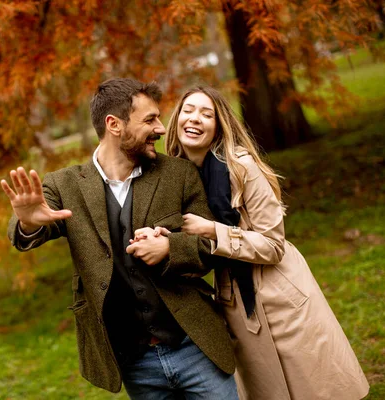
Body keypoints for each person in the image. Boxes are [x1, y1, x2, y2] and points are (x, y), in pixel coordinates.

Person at [0, 78, 239, 399]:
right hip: (135, 362)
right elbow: (23, 232)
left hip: (195, 347)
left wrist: (170, 247)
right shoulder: (64, 186)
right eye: (150, 120)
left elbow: (211, 245)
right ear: (114, 125)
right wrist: (28, 223)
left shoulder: (179, 174)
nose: (162, 128)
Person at [140, 86, 370, 399]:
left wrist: (213, 230)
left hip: (279, 295)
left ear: (218, 126)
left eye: (206, 114)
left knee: (314, 387)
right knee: (268, 390)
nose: (195, 119)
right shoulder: (176, 179)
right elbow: (194, 248)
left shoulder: (241, 167)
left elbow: (273, 245)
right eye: (188, 110)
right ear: (177, 117)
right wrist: (168, 240)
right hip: (236, 303)